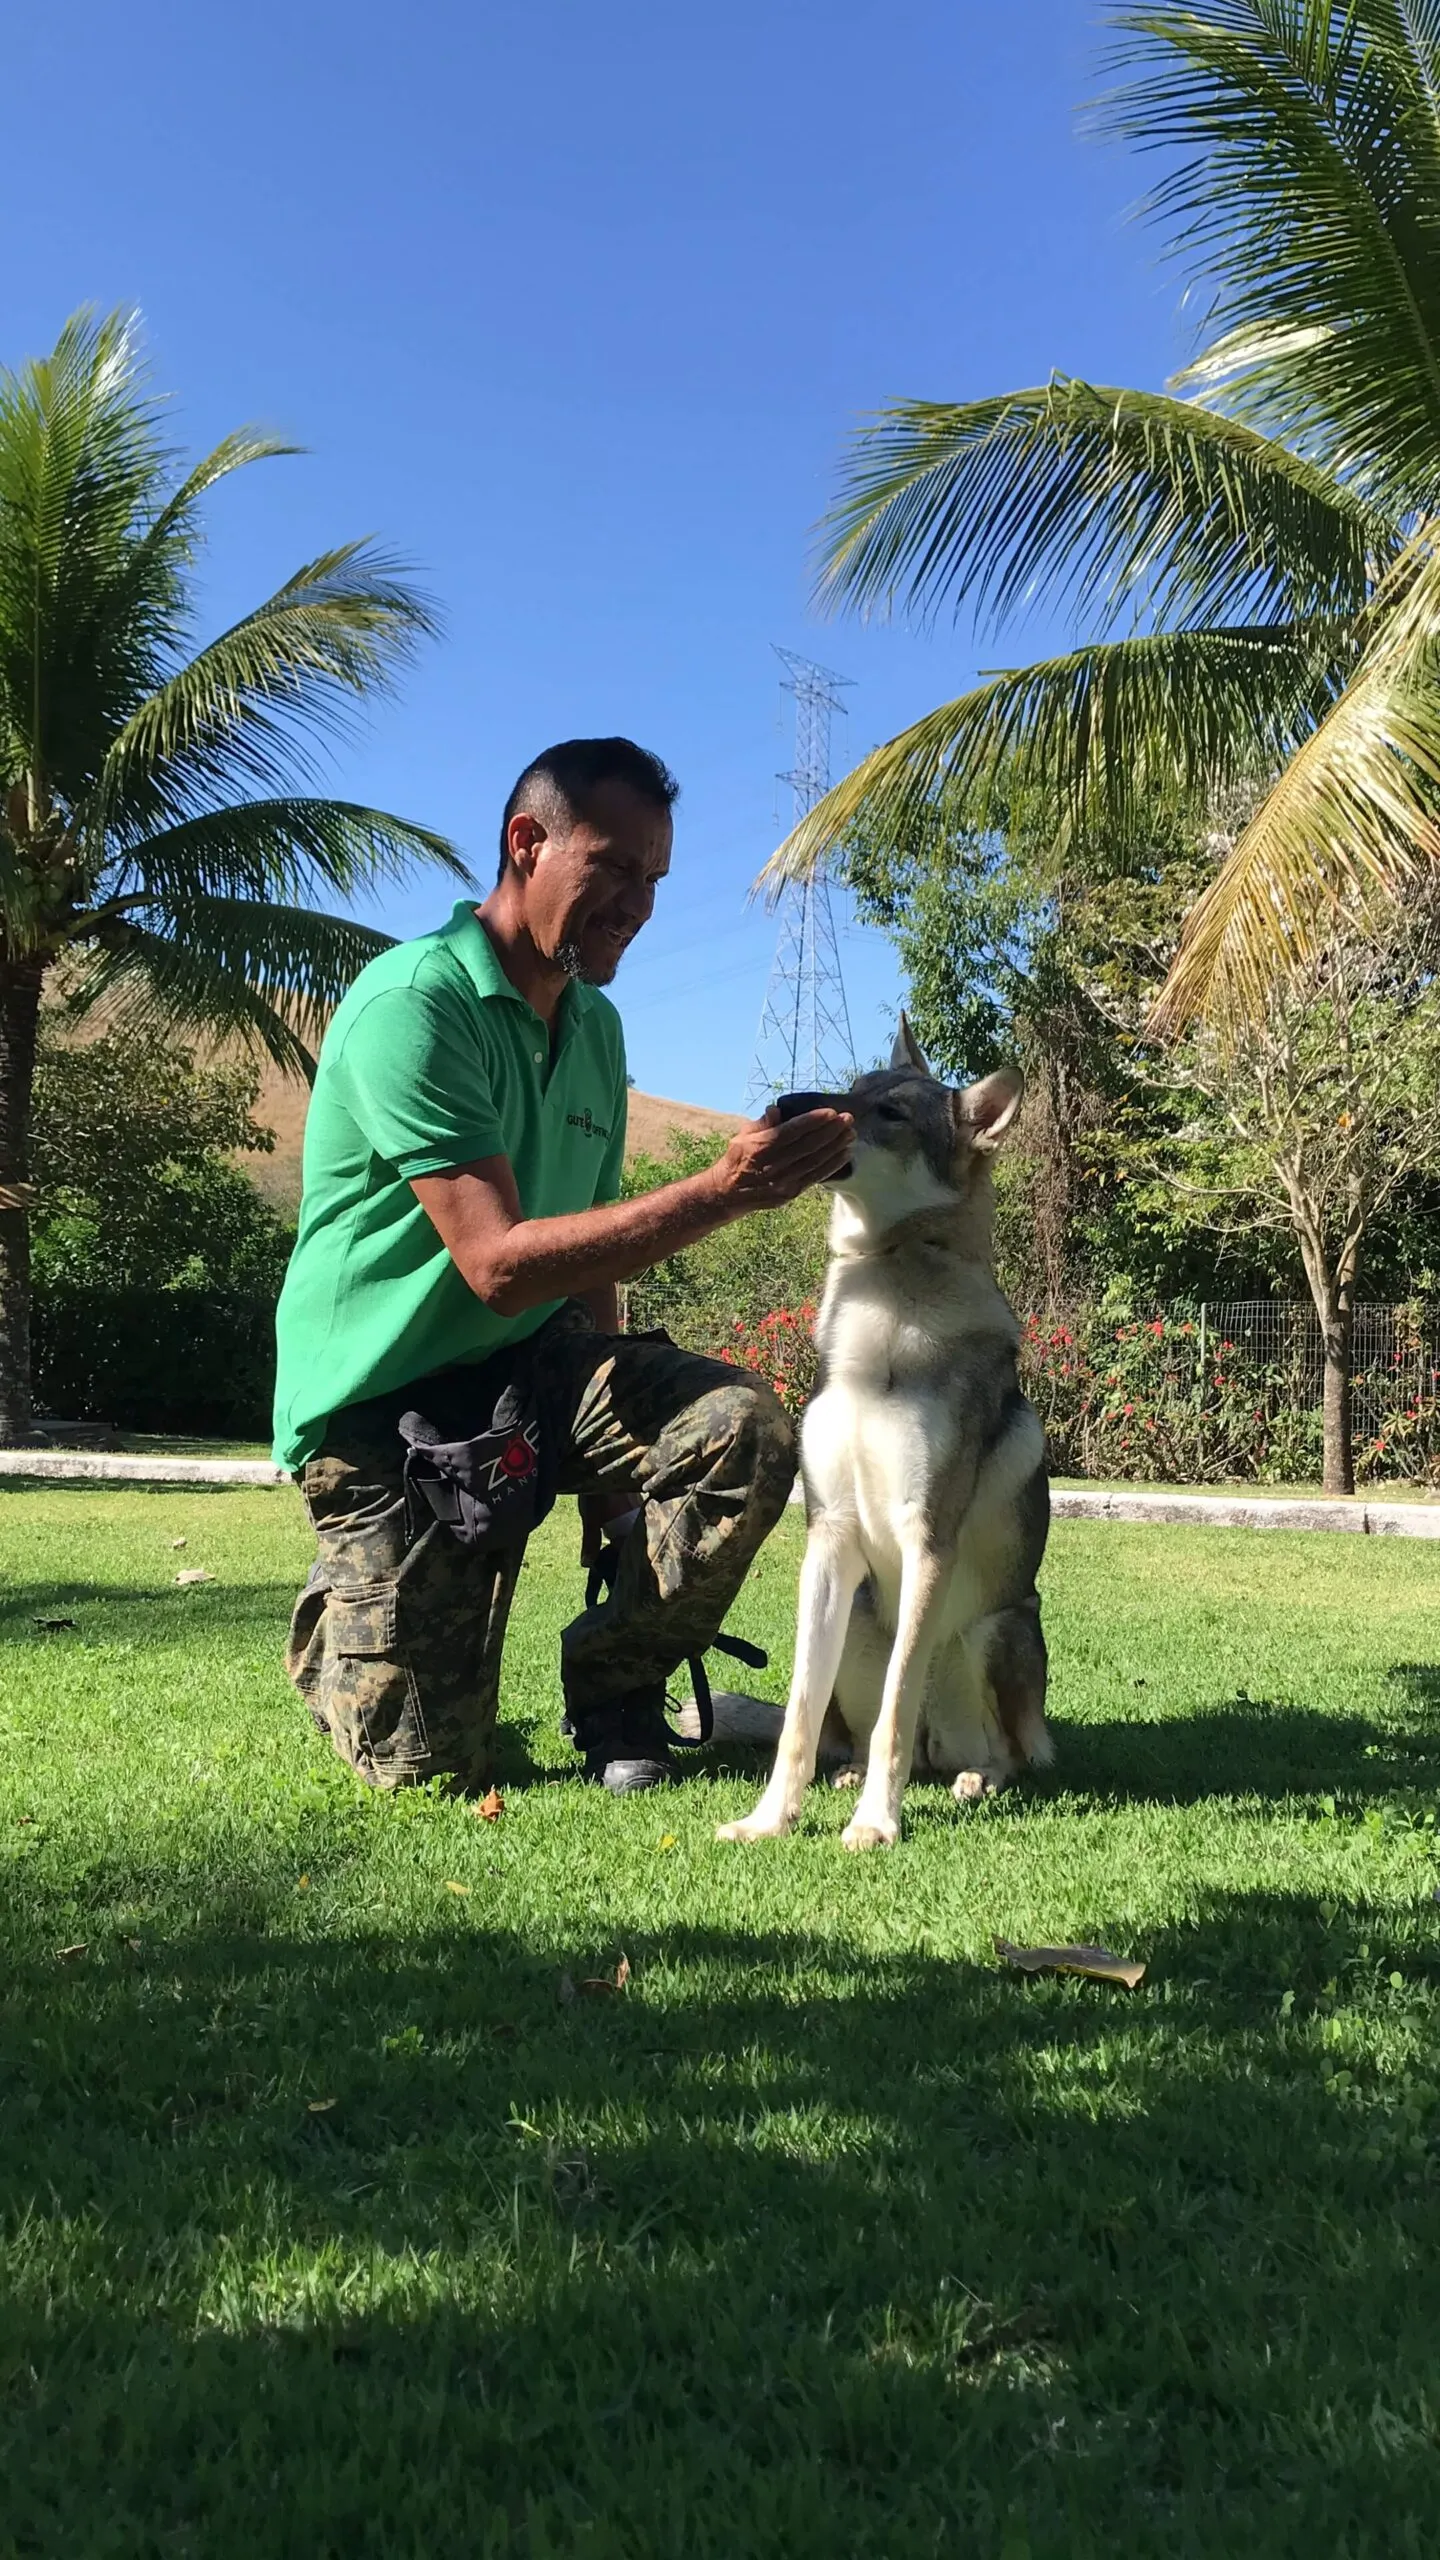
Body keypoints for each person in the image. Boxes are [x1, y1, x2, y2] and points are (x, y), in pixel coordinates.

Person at [273, 737, 853, 1796]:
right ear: (527, 843)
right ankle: (347, 1618)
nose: (639, 905)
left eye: (655, 879)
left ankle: (616, 1689)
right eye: (616, 867)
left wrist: (616, 1490)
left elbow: (589, 1250)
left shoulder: (595, 1029)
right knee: (426, 1770)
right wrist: (725, 1190)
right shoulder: (416, 1006)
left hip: (531, 1373)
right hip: (383, 1408)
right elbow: (496, 1264)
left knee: (744, 1427)